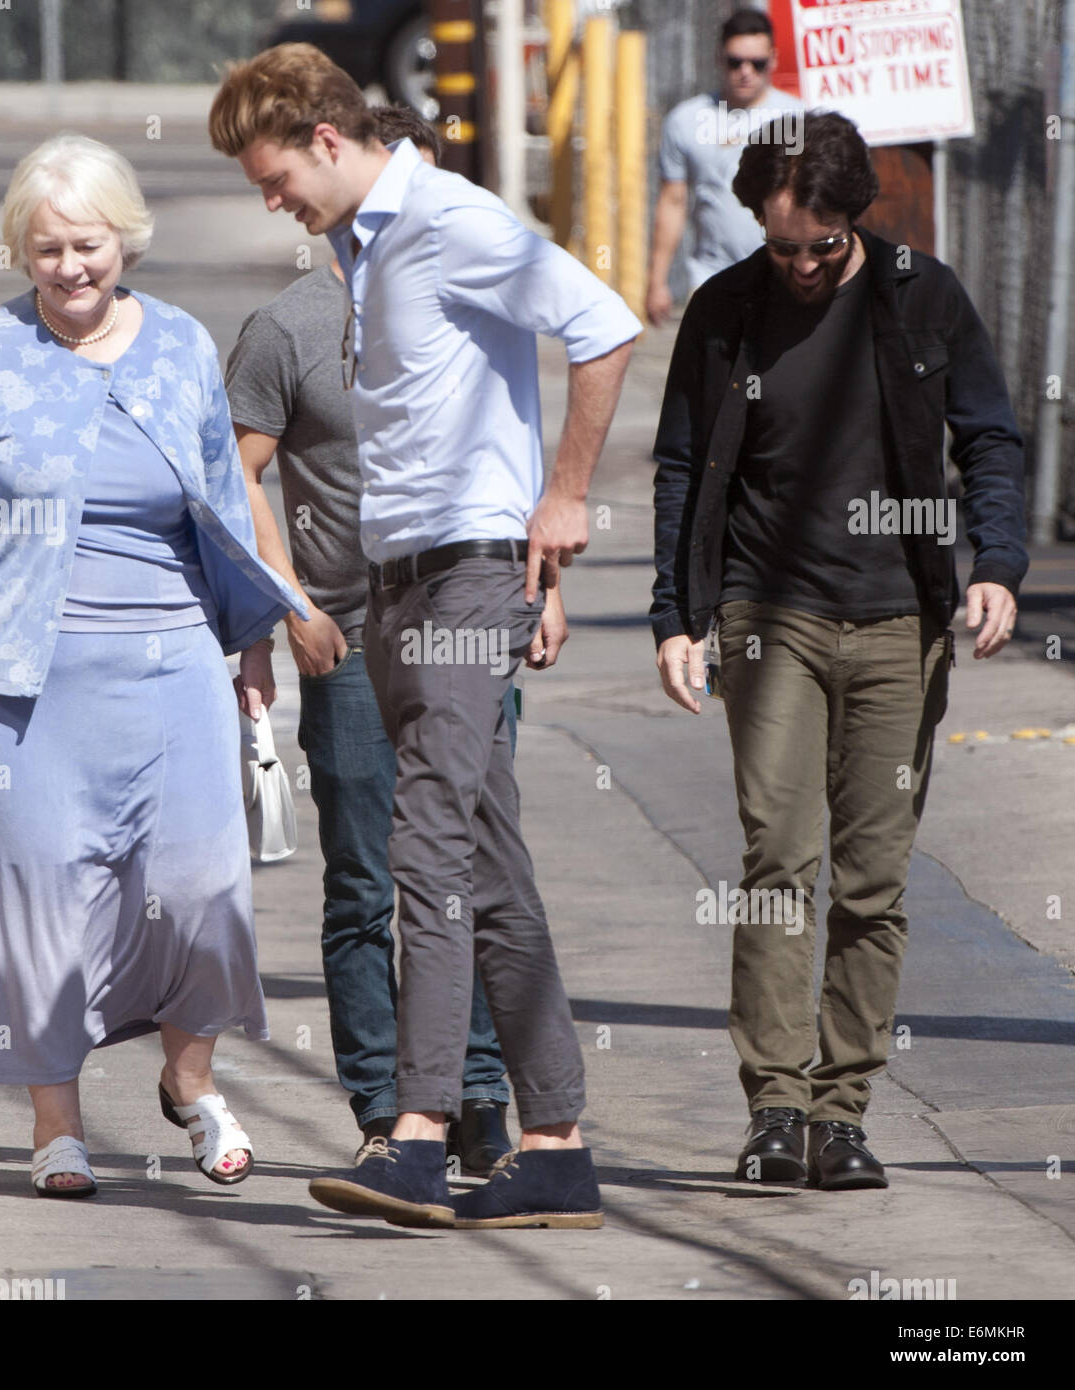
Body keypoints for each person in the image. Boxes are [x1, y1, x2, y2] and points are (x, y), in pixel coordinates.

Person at [210, 44, 640, 1228]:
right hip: (389, 583)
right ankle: (553, 1140)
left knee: (428, 846)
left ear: (329, 140)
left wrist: (560, 497)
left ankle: (418, 1130)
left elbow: (602, 326)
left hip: (464, 574)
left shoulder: (448, 218)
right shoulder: (363, 246)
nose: (271, 200)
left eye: (274, 174)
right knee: (490, 861)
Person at [0, 134, 306, 1197]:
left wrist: (251, 645)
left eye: (88, 245)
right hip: (24, 687)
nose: (71, 268)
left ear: (125, 238)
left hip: (171, 669)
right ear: (19, 253)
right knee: (42, 908)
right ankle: (56, 1125)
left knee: (202, 890)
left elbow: (222, 509)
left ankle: (190, 1078)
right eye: (47, 251)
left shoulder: (176, 346)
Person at [651, 110, 1028, 1190]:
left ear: (853, 219)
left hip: (900, 621)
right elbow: (682, 469)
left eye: (822, 245)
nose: (805, 265)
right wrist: (677, 617)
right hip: (770, 616)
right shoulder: (726, 313)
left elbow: (989, 436)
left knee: (871, 879)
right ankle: (774, 1103)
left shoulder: (923, 294)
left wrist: (994, 562)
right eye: (783, 248)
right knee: (777, 860)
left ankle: (840, 1109)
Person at [646, 7, 804, 326]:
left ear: (773, 59)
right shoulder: (686, 120)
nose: (745, 71)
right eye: (735, 62)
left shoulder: (796, 118)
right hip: (711, 274)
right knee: (713, 372)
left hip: (782, 275)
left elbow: (809, 199)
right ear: (720, 58)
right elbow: (673, 202)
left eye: (757, 63)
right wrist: (657, 280)